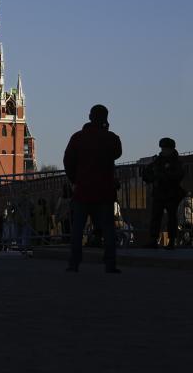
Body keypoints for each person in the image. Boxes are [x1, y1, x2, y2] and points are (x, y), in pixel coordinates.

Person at [62, 104, 123, 273]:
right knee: (108, 229)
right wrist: (106, 130)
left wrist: (76, 180)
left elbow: (67, 161)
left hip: (83, 191)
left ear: (90, 117)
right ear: (106, 118)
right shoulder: (111, 138)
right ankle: (110, 264)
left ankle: (74, 263)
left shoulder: (78, 138)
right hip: (105, 191)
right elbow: (118, 153)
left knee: (77, 229)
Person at [142, 137, 185, 250]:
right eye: (162, 148)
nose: (163, 151)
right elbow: (147, 173)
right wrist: (152, 177)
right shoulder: (158, 160)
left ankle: (171, 241)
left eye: (165, 148)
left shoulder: (176, 161)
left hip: (171, 193)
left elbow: (178, 175)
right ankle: (153, 239)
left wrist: (162, 176)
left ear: (171, 149)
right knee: (155, 216)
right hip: (159, 192)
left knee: (171, 218)